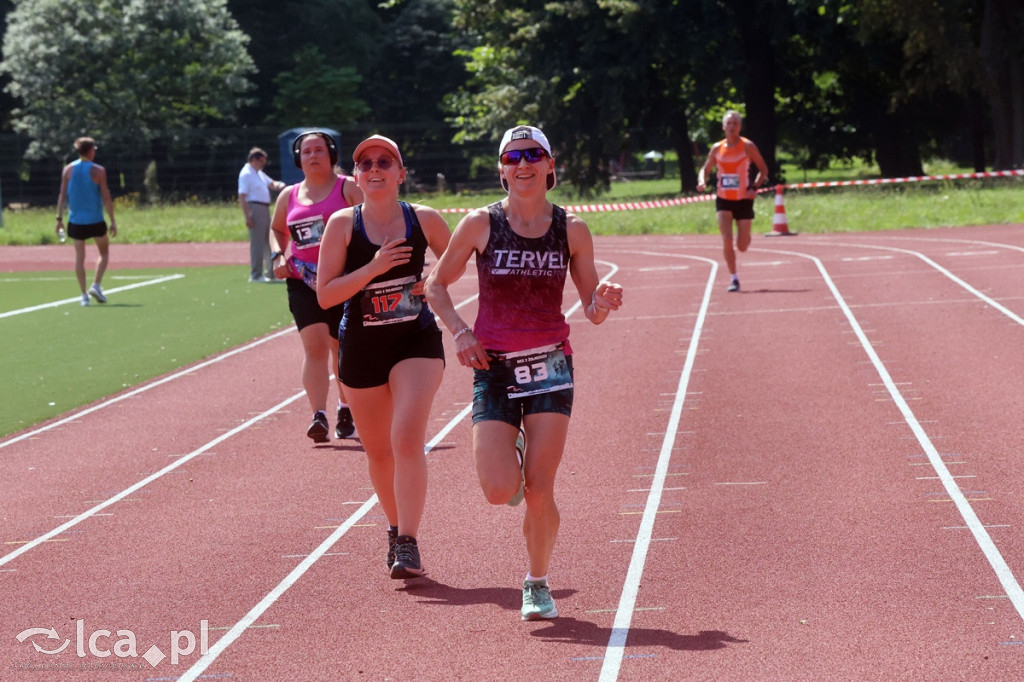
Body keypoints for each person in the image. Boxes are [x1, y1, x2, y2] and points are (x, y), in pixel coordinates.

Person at [424, 125, 624, 620]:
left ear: (550, 166)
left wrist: (602, 302)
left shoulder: (572, 229)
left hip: (551, 365)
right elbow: (435, 285)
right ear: (501, 169)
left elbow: (591, 309)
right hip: (493, 366)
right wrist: (460, 332)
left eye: (534, 155)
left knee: (540, 487)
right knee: (498, 491)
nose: (523, 164)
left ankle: (536, 581)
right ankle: (508, 445)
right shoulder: (479, 224)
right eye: (513, 157)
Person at [316, 135, 453, 579]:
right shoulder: (341, 225)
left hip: (415, 341)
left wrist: (431, 280)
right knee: (378, 452)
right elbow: (325, 295)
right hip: (361, 347)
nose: (374, 168)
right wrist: (374, 268)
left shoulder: (424, 219)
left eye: (384, 161)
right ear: (356, 177)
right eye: (365, 163)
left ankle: (409, 542)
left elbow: (458, 262)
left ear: (400, 172)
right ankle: (395, 530)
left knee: (407, 438)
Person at [270, 131, 363, 443]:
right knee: (314, 347)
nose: (313, 156)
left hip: (341, 279)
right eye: (306, 151)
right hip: (301, 279)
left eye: (319, 150)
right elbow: (277, 229)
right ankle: (318, 415)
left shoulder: (348, 188)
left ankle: (346, 407)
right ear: (298, 159)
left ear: (331, 154)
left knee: (341, 348)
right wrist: (277, 255)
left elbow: (371, 221)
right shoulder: (289, 195)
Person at [696, 110, 769, 292]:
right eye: (728, 123)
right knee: (727, 239)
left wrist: (754, 187)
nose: (732, 126)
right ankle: (734, 278)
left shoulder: (747, 146)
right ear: (723, 127)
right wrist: (702, 181)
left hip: (744, 199)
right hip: (723, 199)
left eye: (735, 123)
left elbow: (763, 169)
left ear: (740, 127)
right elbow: (704, 169)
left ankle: (745, 236)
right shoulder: (717, 148)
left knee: (742, 246)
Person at [55, 137, 117, 306]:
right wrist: (112, 220)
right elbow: (106, 196)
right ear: (90, 151)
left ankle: (83, 295)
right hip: (95, 220)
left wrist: (59, 219)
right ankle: (96, 284)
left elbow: (62, 195)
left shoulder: (68, 170)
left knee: (79, 258)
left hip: (75, 221)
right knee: (104, 252)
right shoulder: (98, 170)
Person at [238, 147, 285, 283]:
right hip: (255, 208)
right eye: (261, 161)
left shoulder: (258, 173)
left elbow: (272, 184)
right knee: (257, 243)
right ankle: (255, 274)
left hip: (264, 209)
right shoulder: (246, 173)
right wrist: (248, 216)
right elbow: (242, 196)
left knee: (269, 241)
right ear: (254, 159)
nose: (263, 163)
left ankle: (271, 273)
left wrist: (281, 185)